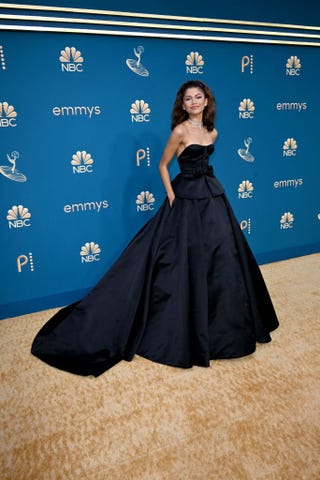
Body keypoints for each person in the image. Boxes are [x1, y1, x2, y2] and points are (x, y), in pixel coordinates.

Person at [31, 80, 279, 376]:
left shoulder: (213, 132)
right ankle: (180, 327)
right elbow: (163, 165)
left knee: (222, 257)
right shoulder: (179, 131)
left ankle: (223, 329)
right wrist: (173, 197)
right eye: (189, 99)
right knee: (176, 262)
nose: (194, 102)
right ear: (182, 104)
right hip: (185, 200)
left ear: (207, 101)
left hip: (212, 197)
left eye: (199, 97)